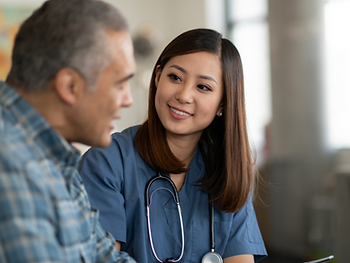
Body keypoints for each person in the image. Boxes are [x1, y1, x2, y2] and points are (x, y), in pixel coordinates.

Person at [79, 28, 267, 262]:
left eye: (203, 87)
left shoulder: (228, 170)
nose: (184, 95)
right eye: (175, 77)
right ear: (157, 77)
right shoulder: (107, 160)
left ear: (223, 105)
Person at [0, 0, 137, 262]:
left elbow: (106, 257)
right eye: (120, 85)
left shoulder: (57, 157)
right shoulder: (10, 164)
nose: (128, 99)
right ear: (70, 86)